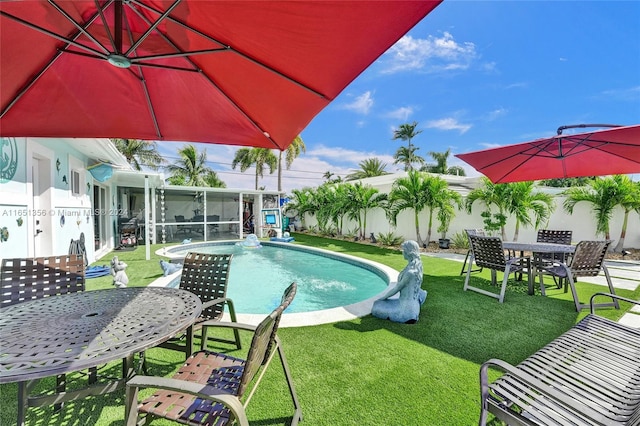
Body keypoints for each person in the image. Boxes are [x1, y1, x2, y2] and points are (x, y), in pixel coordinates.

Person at [371, 240, 427, 324]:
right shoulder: (418, 267)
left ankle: (408, 317)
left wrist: (383, 297)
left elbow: (396, 289)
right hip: (414, 306)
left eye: (404, 251)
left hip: (405, 310)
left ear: (409, 252)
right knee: (381, 304)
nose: (402, 253)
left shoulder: (410, 273)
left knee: (376, 306)